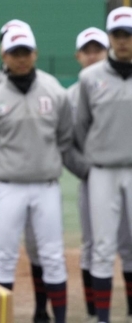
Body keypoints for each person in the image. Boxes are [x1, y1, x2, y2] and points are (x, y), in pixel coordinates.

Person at [0, 27, 72, 323]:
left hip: (45, 185)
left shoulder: (54, 90)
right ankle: (2, 318)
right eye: (14, 53)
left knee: (53, 256)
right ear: (4, 55)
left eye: (25, 52)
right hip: (9, 187)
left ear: (35, 54)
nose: (21, 59)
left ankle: (57, 318)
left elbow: (65, 135)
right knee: (4, 257)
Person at [63, 27, 132, 323]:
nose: (123, 40)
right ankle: (99, 315)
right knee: (99, 245)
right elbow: (78, 131)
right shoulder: (84, 84)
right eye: (117, 34)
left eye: (127, 34)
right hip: (100, 171)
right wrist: (87, 168)